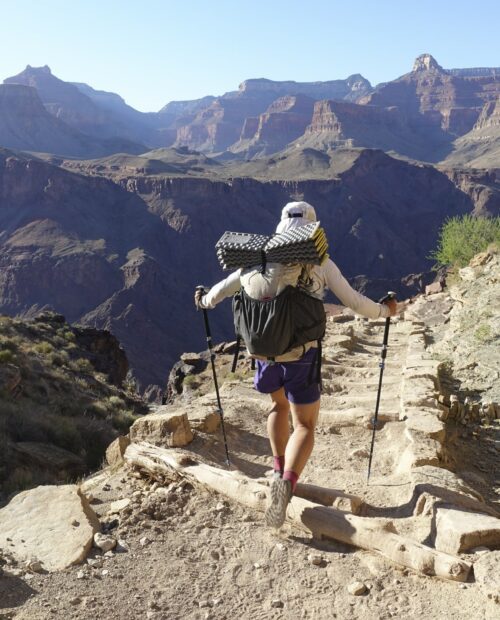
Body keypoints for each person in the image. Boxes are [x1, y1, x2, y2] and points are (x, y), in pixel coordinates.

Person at [194, 201, 397, 528]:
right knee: (304, 425)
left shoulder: (255, 260)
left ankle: (276, 468)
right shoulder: (319, 262)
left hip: (263, 354)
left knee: (277, 408)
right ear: (312, 228)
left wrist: (202, 299)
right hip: (300, 354)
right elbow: (354, 301)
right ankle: (287, 482)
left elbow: (217, 293)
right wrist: (386, 311)